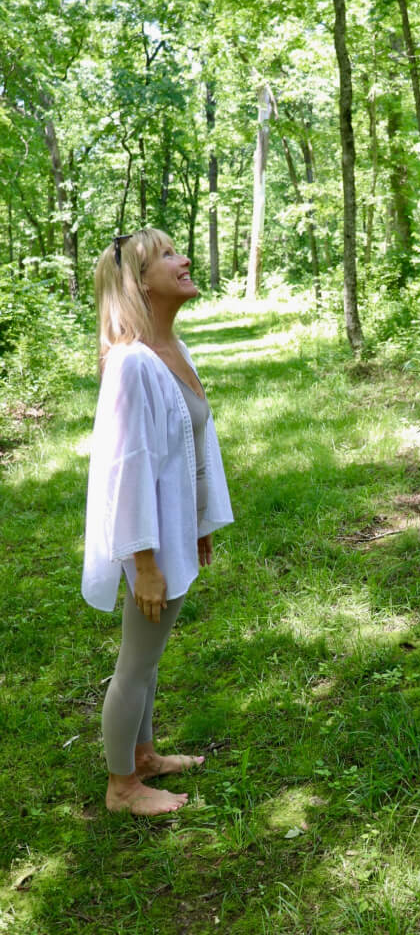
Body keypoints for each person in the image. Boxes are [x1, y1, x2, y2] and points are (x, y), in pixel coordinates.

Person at [82, 228, 233, 815]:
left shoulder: (173, 348)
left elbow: (187, 450)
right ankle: (122, 788)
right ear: (139, 282)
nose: (185, 258)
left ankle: (143, 756)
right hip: (144, 538)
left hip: (167, 530)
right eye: (169, 255)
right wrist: (144, 563)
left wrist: (199, 523)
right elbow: (128, 468)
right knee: (135, 662)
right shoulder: (131, 366)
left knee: (149, 655)